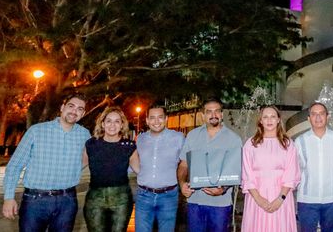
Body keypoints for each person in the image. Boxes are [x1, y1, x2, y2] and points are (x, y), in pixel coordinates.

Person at [2, 92, 90, 232]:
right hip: (35, 201)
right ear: (62, 107)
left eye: (80, 109)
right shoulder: (36, 131)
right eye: (71, 106)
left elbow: (86, 158)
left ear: (83, 113)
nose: (74, 111)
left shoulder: (84, 135)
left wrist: (73, 169)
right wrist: (8, 197)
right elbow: (15, 165)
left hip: (67, 202)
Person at [178, 97, 243, 232]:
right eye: (209, 112)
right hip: (195, 202)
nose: (213, 115)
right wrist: (182, 184)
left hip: (220, 204)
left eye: (217, 111)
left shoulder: (234, 139)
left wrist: (223, 189)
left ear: (222, 114)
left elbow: (235, 171)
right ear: (203, 115)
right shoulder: (192, 136)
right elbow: (184, 165)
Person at [241, 105, 301, 232]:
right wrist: (259, 199)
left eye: (273, 116)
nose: (269, 120)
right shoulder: (250, 144)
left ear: (278, 120)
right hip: (256, 199)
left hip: (281, 198)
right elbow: (247, 176)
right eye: (265, 117)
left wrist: (280, 199)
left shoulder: (288, 144)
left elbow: (291, 175)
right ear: (260, 120)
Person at [129, 103, 186, 232]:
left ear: (166, 119)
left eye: (160, 117)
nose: (156, 121)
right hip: (143, 196)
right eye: (152, 118)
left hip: (168, 197)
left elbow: (185, 164)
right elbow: (133, 161)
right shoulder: (140, 139)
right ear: (147, 120)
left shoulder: (178, 138)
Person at [83, 106, 136, 232]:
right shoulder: (91, 144)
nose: (112, 125)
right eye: (109, 121)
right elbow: (77, 166)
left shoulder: (129, 146)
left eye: (117, 121)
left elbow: (141, 170)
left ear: (122, 125)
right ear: (102, 123)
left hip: (122, 200)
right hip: (95, 199)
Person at [294, 102, 333, 232]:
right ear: (308, 118)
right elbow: (296, 168)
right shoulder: (300, 141)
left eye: (321, 113)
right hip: (307, 199)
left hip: (332, 198)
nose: (318, 117)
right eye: (314, 114)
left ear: (328, 116)